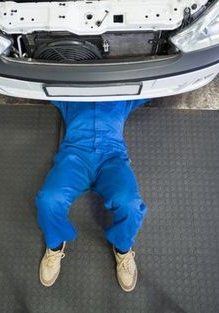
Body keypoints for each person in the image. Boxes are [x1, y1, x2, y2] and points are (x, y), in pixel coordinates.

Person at [36, 99, 150, 292]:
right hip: (75, 158)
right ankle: (55, 245)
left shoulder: (123, 96)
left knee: (130, 204)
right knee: (48, 200)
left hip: (112, 158)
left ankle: (122, 249)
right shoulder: (70, 94)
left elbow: (154, 85)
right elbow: (40, 83)